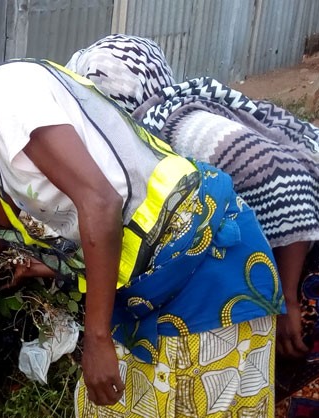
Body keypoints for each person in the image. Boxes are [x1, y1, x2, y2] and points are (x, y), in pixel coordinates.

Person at [0, 24, 285, 417]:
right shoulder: (2, 120)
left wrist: (96, 338)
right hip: (151, 285)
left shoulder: (4, 92)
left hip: (205, 276)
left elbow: (99, 200)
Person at [65, 34, 319, 415]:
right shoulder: (133, 143)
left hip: (299, 244)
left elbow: (288, 183)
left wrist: (288, 302)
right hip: (251, 260)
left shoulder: (187, 131)